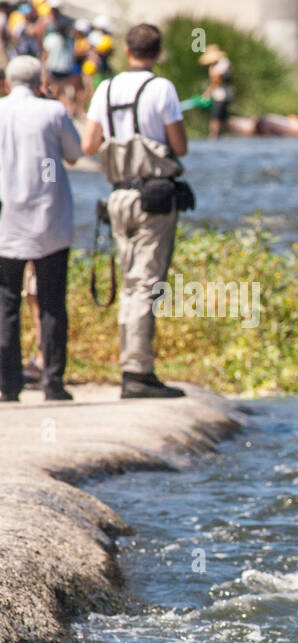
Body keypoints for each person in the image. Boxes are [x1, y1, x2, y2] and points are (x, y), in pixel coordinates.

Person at [81, 22, 188, 399]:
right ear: (158, 54)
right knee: (146, 284)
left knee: (130, 283)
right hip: (154, 197)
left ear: (127, 51)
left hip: (117, 197)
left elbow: (89, 144)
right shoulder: (162, 88)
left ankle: (132, 365)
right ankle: (138, 373)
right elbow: (180, 145)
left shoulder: (105, 88)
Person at [0, 55, 81, 401]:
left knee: (5, 305)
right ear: (40, 82)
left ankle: (8, 385)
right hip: (50, 218)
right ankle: (52, 382)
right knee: (51, 303)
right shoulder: (53, 112)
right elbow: (74, 153)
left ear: (7, 82)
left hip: (6, 221)